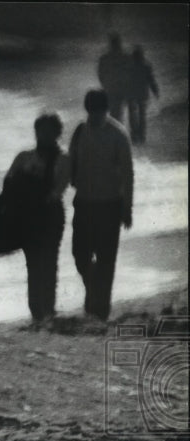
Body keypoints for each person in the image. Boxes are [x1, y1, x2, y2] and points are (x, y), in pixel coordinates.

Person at [68, 89, 134, 322]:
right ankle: (92, 287)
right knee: (79, 254)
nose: (95, 116)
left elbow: (128, 174)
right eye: (91, 112)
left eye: (99, 111)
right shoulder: (79, 132)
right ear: (87, 110)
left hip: (110, 205)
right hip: (84, 203)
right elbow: (70, 166)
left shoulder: (118, 134)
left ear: (106, 110)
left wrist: (127, 208)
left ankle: (100, 311)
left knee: (106, 259)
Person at [4, 114, 71, 327]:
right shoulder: (24, 157)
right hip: (28, 216)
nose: (43, 136)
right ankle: (37, 313)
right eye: (40, 131)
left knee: (49, 262)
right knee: (33, 264)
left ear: (57, 134)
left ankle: (48, 310)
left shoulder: (64, 159)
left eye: (48, 132)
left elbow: (58, 190)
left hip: (50, 215)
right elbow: (8, 182)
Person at [126, 45, 160, 145]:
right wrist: (155, 91)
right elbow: (151, 80)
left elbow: (124, 81)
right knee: (142, 115)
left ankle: (134, 135)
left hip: (131, 94)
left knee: (132, 115)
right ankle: (141, 136)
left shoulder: (129, 67)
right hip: (142, 94)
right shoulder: (146, 66)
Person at [98, 33, 130, 123]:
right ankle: (117, 132)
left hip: (109, 89)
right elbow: (129, 75)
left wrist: (105, 85)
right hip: (120, 89)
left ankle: (113, 131)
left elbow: (100, 75)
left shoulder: (104, 58)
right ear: (119, 44)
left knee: (112, 113)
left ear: (111, 44)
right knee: (119, 114)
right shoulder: (125, 58)